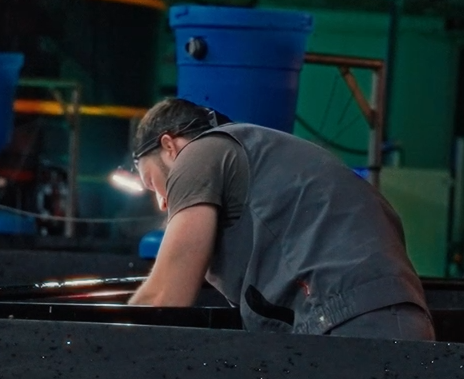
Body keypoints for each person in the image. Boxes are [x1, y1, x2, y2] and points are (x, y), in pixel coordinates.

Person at [125, 97, 434, 341]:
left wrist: (108, 341)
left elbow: (164, 299)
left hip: (347, 322)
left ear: (170, 145)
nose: (162, 202)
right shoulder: (264, 153)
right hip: (399, 317)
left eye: (152, 184)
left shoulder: (198, 154)